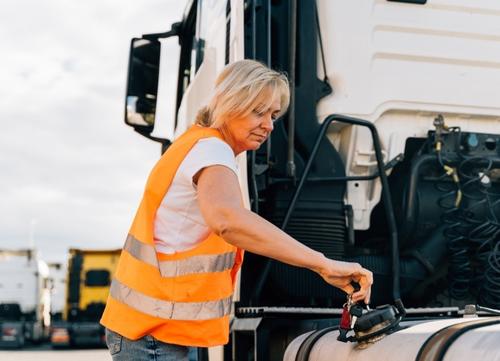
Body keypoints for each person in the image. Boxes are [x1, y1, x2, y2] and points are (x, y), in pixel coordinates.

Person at [100, 59, 373, 360]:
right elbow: (228, 220)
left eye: (273, 114)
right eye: (258, 112)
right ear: (229, 103)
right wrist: (323, 264)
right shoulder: (210, 149)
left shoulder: (196, 144)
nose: (269, 125)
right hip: (154, 335)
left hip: (156, 329)